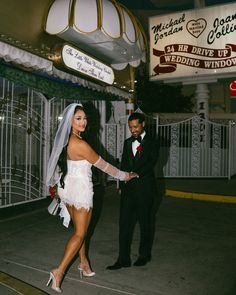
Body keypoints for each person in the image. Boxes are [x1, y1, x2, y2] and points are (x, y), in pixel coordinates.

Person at [45, 103, 137, 293]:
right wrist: (126, 175)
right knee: (79, 234)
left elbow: (60, 166)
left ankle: (84, 264)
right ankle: (59, 271)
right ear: (70, 121)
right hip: (80, 191)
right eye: (78, 119)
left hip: (67, 188)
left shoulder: (66, 141)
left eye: (84, 118)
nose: (83, 122)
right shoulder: (81, 144)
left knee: (81, 230)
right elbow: (105, 166)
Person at [107, 112, 159, 270]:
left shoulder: (153, 142)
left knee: (145, 223)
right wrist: (121, 184)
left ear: (143, 124)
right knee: (124, 225)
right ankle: (123, 259)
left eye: (135, 126)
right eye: (130, 127)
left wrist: (136, 173)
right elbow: (124, 164)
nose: (133, 130)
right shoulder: (127, 142)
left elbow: (152, 161)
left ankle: (144, 255)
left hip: (145, 189)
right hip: (128, 189)